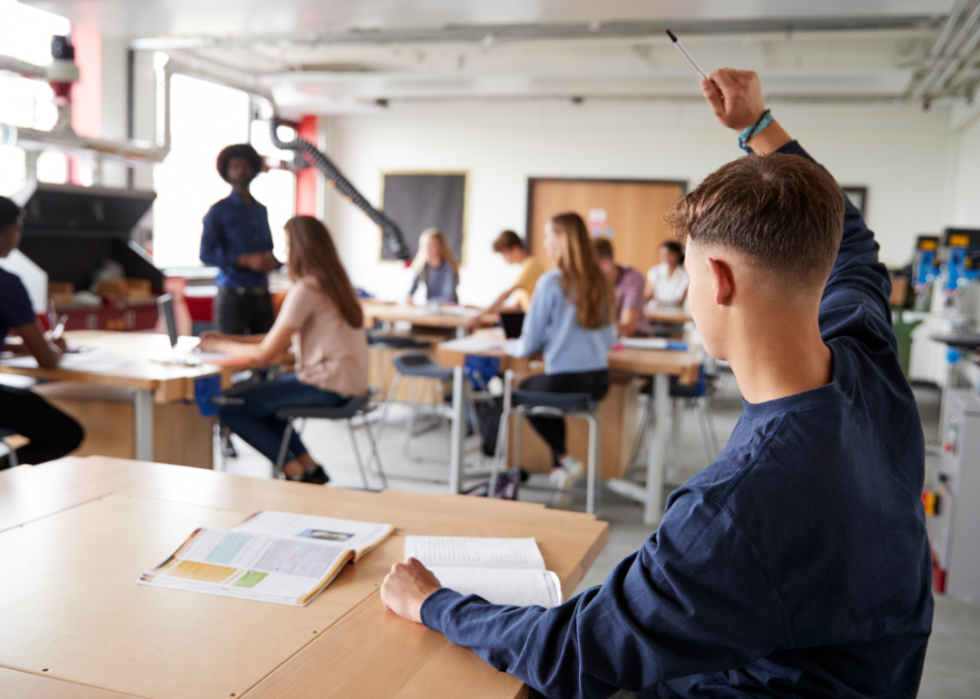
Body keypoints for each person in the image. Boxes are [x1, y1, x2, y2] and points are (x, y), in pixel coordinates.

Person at [379, 69, 933, 699]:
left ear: (718, 281)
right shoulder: (869, 358)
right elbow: (853, 240)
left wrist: (434, 602)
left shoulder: (734, 510)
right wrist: (757, 128)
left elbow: (572, 654)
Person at [199, 216, 368, 484]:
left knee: (230, 405)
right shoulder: (334, 285)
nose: (284, 256)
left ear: (302, 250)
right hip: (346, 382)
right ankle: (309, 468)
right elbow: (276, 339)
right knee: (256, 401)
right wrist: (226, 338)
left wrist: (217, 344)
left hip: (327, 384)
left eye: (288, 248)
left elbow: (267, 353)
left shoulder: (307, 288)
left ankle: (297, 475)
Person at [499, 212, 616, 504]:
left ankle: (565, 459)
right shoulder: (600, 280)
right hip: (598, 381)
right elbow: (610, 338)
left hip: (564, 382)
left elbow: (528, 344)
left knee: (518, 394)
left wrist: (508, 346)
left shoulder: (551, 281)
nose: (543, 241)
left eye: (547, 235)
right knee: (546, 393)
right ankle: (559, 470)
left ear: (561, 238)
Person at [0, 196, 84, 469]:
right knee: (67, 433)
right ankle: (5, 470)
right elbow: (46, 360)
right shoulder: (7, 284)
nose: (18, 237)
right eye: (18, 229)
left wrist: (15, 348)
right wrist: (55, 347)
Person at [200, 143, 280, 336]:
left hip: (262, 295)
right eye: (235, 166)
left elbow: (268, 247)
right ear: (226, 172)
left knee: (266, 358)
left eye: (245, 166)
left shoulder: (261, 210)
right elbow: (205, 255)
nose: (241, 170)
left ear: (253, 169)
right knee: (231, 357)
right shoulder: (218, 211)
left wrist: (273, 262)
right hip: (232, 296)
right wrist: (244, 260)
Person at [467, 230, 547, 328]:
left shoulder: (531, 265)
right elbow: (514, 308)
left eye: (505, 253)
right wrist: (478, 309)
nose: (504, 258)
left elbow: (506, 294)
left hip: (534, 321)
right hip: (527, 318)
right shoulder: (525, 267)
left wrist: (480, 316)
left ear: (516, 249)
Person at [593, 238, 652, 337]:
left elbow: (628, 327)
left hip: (636, 339)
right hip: (603, 339)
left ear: (605, 265)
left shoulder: (632, 278)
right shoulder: (588, 282)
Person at [406, 228, 459, 305]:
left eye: (431, 246)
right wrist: (408, 297)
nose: (427, 250)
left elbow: (448, 299)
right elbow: (410, 291)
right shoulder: (422, 267)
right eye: (423, 246)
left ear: (440, 247)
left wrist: (429, 303)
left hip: (449, 311)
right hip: (431, 308)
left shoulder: (449, 268)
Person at [644, 240, 689, 307]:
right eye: (662, 255)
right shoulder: (655, 271)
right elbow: (649, 295)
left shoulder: (686, 274)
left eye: (669, 255)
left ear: (678, 254)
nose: (665, 258)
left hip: (676, 313)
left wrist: (662, 303)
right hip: (655, 310)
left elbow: (681, 301)